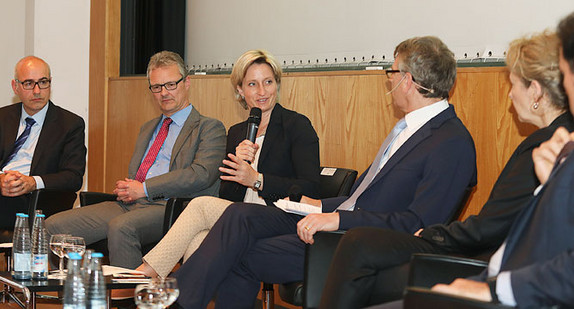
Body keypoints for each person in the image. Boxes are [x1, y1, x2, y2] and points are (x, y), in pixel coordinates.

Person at [172, 36, 478, 309]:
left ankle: (174, 301)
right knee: (239, 216)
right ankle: (174, 300)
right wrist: (320, 206)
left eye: (392, 72)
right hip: (339, 224)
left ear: (408, 80)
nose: (389, 80)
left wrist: (337, 219)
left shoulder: (450, 142)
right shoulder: (409, 129)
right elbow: (363, 196)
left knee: (238, 254)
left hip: (357, 243)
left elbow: (419, 224)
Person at [318, 31, 574, 309]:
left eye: (512, 85)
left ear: (535, 90)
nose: (510, 94)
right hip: (492, 251)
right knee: (360, 242)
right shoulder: (551, 139)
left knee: (359, 242)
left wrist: (433, 234)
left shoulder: (545, 146)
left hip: (490, 260)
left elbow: (491, 226)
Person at [135, 49, 321, 278]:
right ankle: (186, 301)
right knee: (198, 240)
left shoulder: (296, 126)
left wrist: (258, 180)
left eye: (268, 82)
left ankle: (148, 273)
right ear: (240, 91)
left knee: (201, 206)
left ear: (277, 85)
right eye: (252, 84)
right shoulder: (237, 133)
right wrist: (239, 165)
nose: (262, 92)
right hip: (240, 218)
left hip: (280, 217)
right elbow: (228, 195)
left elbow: (311, 188)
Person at [45, 51, 226, 268]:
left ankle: (130, 298)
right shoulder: (148, 127)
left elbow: (200, 175)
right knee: (52, 226)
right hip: (130, 204)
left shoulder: (209, 127)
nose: (164, 93)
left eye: (171, 85)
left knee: (122, 227)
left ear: (186, 83)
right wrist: (129, 188)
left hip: (171, 207)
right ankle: (75, 294)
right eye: (156, 87)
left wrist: (145, 188)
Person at [0, 56, 86, 239]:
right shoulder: (2, 117)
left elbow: (73, 178)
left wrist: (32, 182)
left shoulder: (70, 124)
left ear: (50, 84)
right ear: (16, 87)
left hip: (35, 200)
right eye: (29, 83)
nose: (37, 91)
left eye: (43, 82)